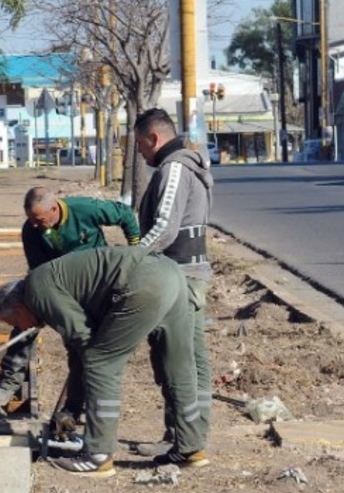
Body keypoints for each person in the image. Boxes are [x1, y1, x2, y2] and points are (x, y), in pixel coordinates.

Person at [0, 247, 207, 478]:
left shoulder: (38, 289)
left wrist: (73, 407)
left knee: (100, 363)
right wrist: (72, 408)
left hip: (143, 281)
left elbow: (84, 344)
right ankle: (191, 448)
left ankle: (98, 456)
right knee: (177, 367)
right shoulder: (51, 281)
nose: (24, 329)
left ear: (18, 307)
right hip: (171, 273)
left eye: (14, 322)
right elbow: (78, 346)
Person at [0, 187, 142, 415]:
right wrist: (44, 308)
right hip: (59, 287)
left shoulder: (84, 209)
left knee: (81, 345)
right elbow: (38, 271)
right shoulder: (31, 231)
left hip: (97, 286)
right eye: (30, 220)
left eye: (38, 219)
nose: (34, 224)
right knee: (25, 322)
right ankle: (8, 385)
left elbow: (124, 214)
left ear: (54, 209)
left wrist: (136, 250)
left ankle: (81, 405)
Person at [134, 108, 215, 456]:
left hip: (179, 277)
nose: (139, 153)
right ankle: (186, 434)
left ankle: (185, 439)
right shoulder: (186, 164)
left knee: (178, 361)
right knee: (189, 359)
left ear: (154, 138)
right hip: (187, 274)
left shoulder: (175, 168)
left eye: (140, 144)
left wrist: (129, 260)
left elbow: (165, 227)